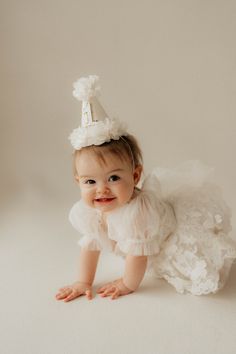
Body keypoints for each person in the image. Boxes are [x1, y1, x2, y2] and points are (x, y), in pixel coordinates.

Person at [55, 75, 236, 302]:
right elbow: (91, 246)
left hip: (165, 236)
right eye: (90, 182)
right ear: (78, 181)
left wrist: (126, 283)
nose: (101, 190)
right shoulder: (89, 211)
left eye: (113, 178)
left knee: (190, 267)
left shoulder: (138, 213)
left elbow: (138, 256)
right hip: (136, 238)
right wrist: (83, 282)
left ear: (136, 175)